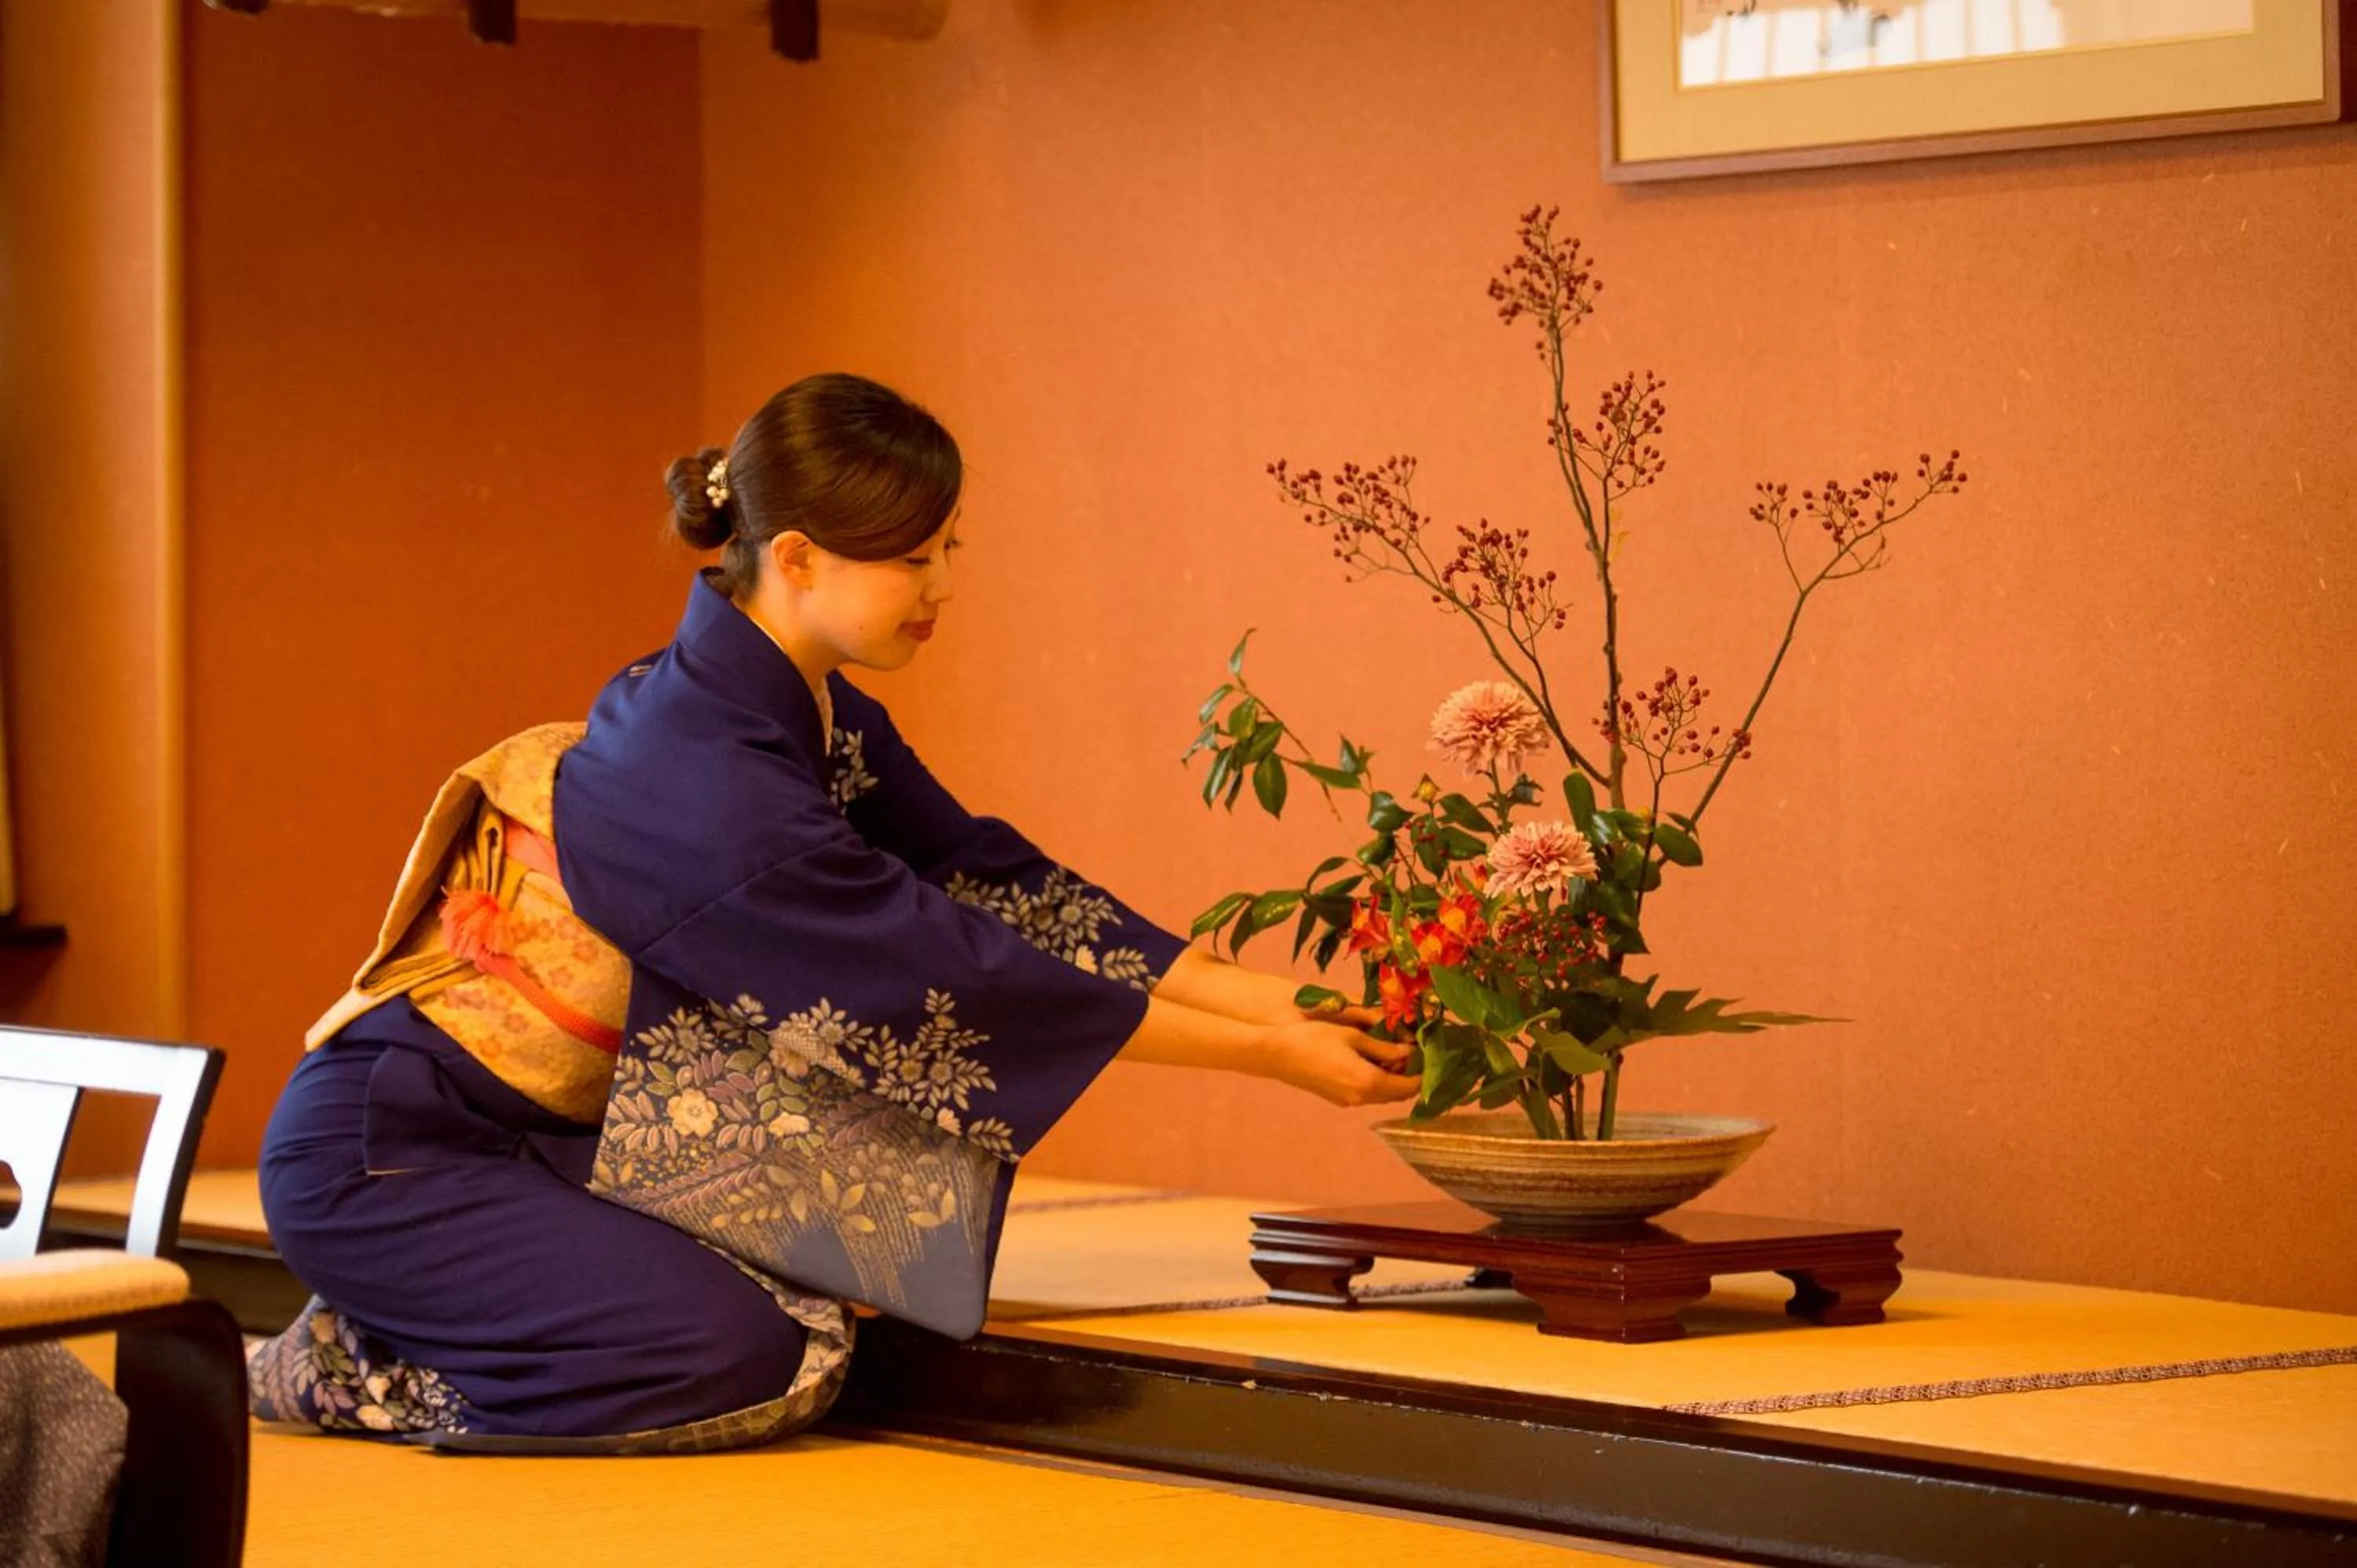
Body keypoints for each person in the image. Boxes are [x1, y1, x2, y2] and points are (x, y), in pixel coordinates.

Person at [245, 372, 1417, 1453]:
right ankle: (355, 1370)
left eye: (950, 547)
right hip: (393, 1156)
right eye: (914, 559)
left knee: (818, 1306)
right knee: (753, 1356)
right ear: (798, 558)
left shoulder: (798, 704)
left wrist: (1300, 1003)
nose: (945, 586)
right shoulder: (706, 778)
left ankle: (427, 1320)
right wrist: (1274, 1056)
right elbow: (947, 979)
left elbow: (994, 890)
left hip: (548, 1142)